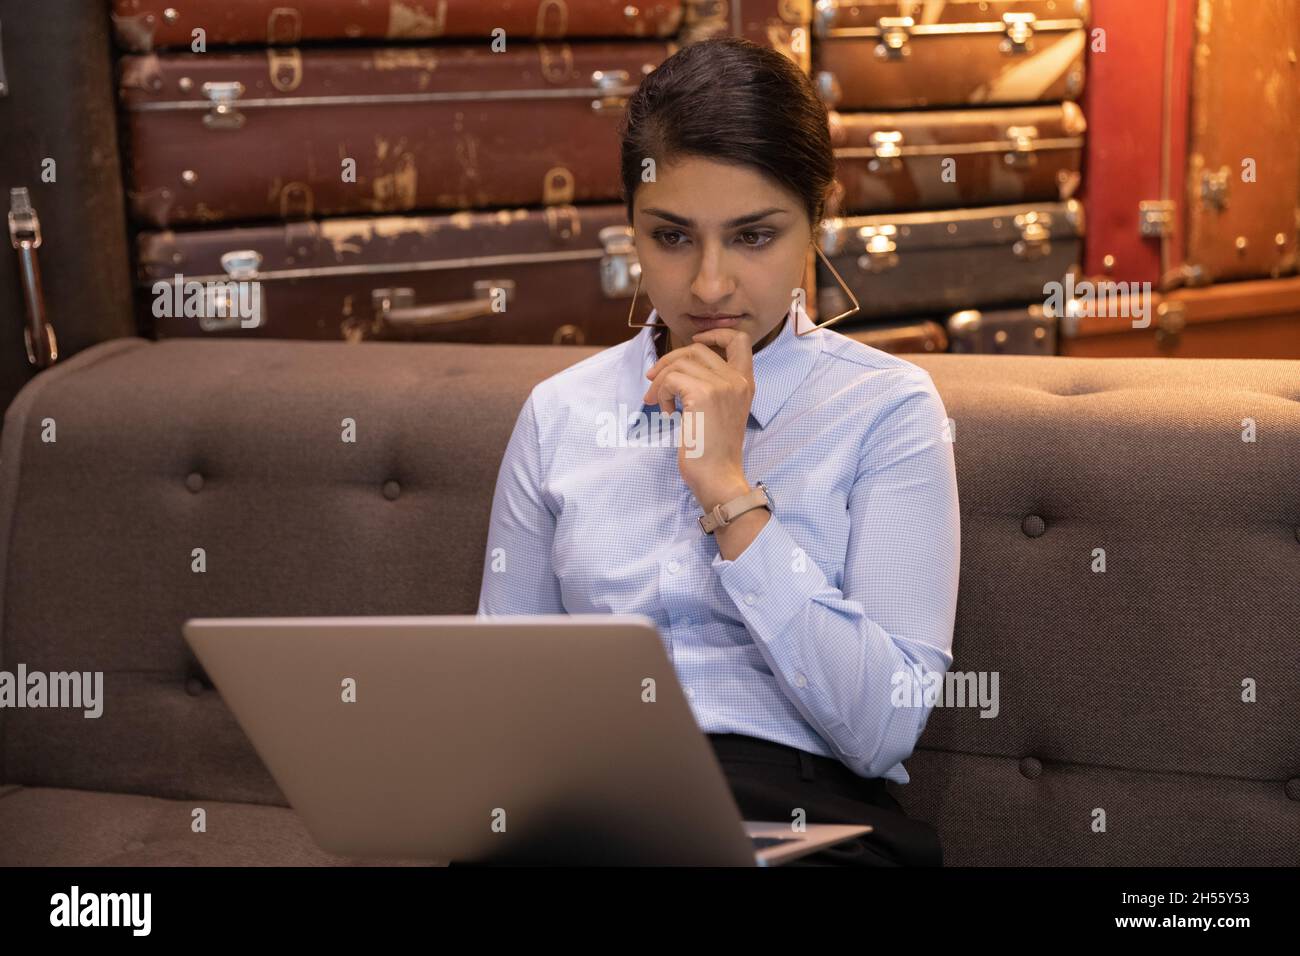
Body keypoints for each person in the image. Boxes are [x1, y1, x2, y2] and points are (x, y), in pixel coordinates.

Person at [476, 36, 960, 866]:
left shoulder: (891, 410)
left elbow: (883, 728)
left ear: (818, 221)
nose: (708, 286)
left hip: (802, 807)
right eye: (671, 238)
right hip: (592, 805)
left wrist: (728, 490)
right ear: (629, 228)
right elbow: (499, 691)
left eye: (753, 237)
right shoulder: (560, 413)